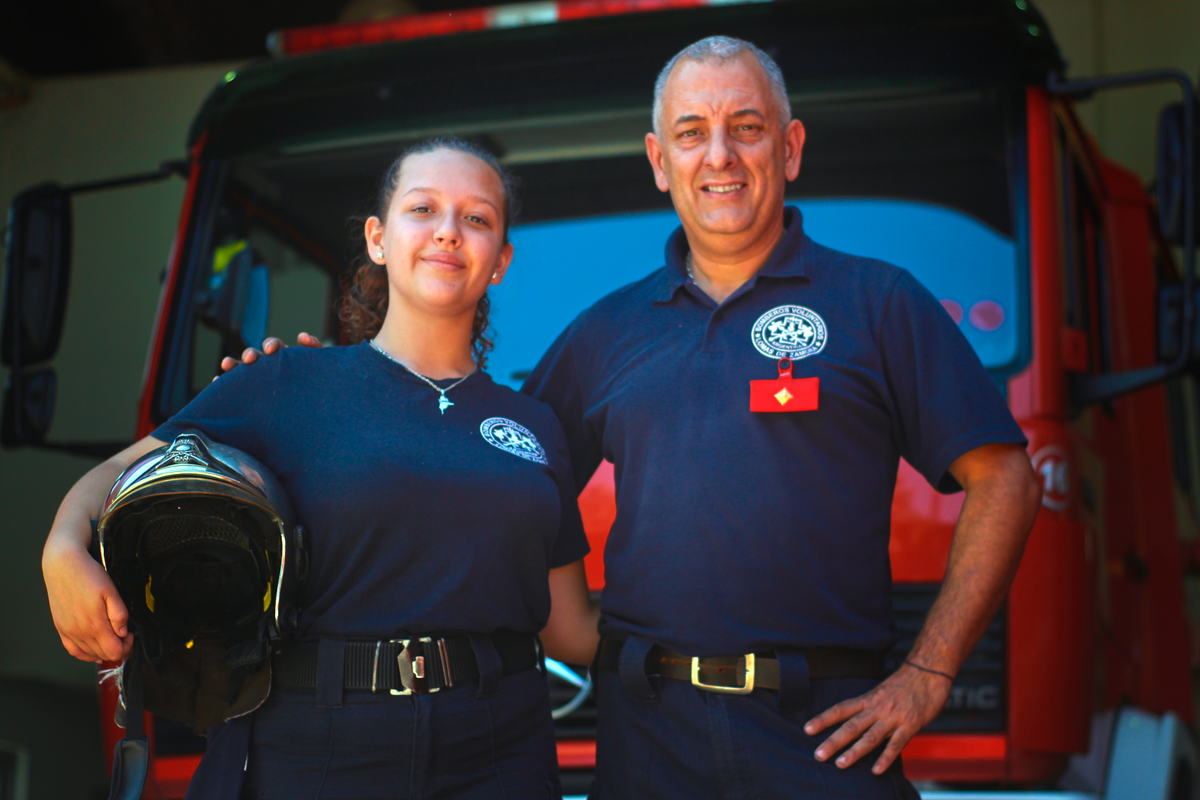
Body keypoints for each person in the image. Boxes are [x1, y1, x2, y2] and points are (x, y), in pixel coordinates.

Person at [234, 37, 1042, 799]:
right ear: (661, 161)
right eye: (691, 133)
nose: (718, 156)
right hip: (648, 735)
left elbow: (1005, 478)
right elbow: (479, 459)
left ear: (790, 149)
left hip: (826, 735)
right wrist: (339, 390)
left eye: (746, 129)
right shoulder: (604, 334)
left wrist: (929, 673)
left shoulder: (880, 302)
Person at [41, 136, 599, 800]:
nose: (449, 232)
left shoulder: (536, 426)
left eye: (476, 218)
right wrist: (62, 548)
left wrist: (715, 620)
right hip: (318, 747)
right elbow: (120, 473)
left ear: (500, 261)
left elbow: (571, 631)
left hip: (500, 748)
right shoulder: (286, 380)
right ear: (379, 239)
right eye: (423, 209)